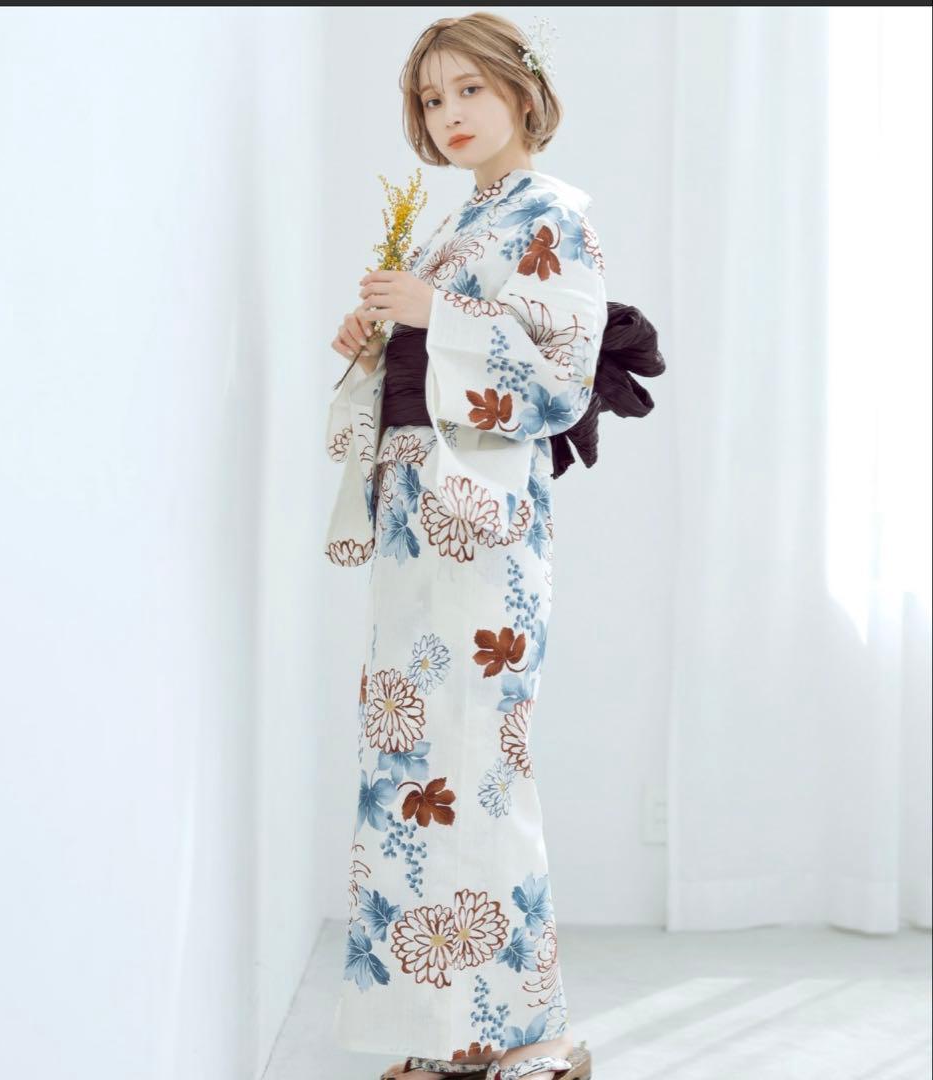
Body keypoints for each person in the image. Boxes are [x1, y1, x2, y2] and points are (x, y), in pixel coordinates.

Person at [324, 13, 602, 1080]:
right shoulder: (457, 225)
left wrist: (434, 312)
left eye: (469, 90)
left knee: (482, 761)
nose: (450, 115)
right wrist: (375, 340)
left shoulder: (552, 214)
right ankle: (444, 1030)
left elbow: (561, 381)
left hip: (484, 524)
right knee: (413, 765)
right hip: (416, 518)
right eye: (432, 99)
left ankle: (533, 1030)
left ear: (523, 93)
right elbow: (423, 363)